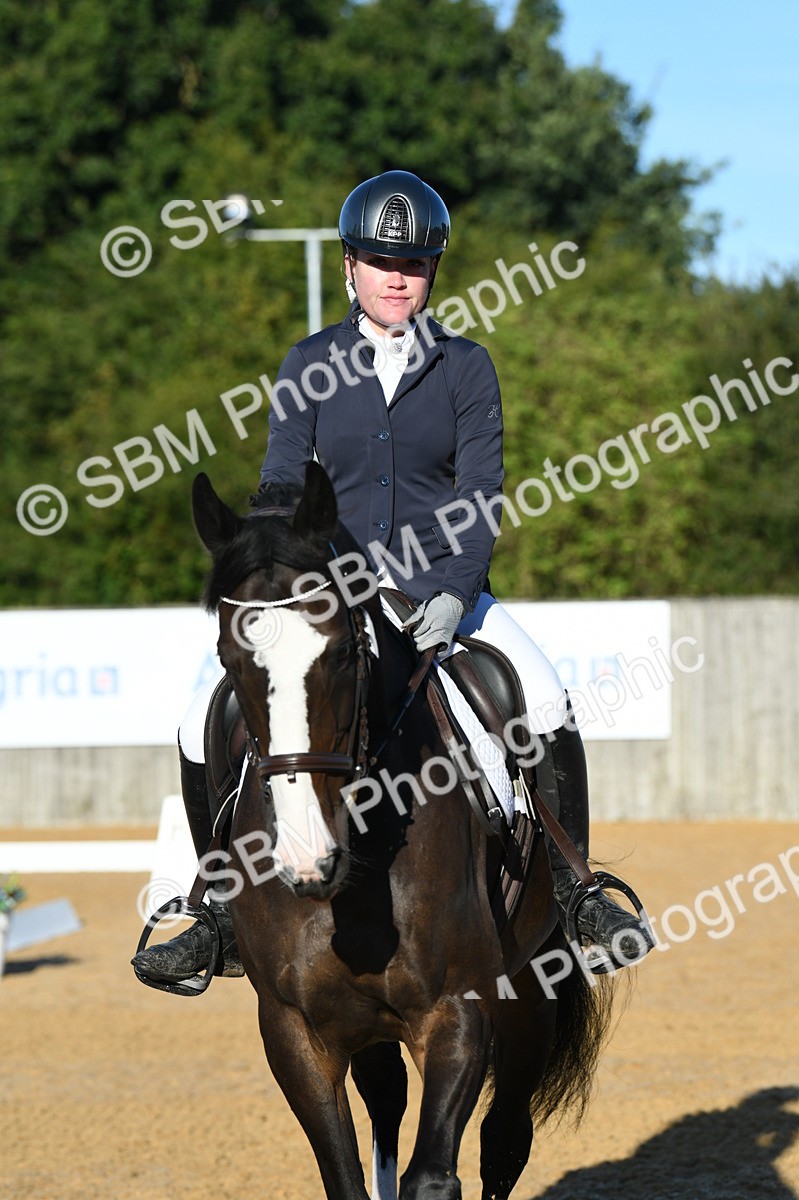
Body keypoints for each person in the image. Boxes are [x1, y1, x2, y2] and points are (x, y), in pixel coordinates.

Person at [133, 170, 653, 986]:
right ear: (350, 266)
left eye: (413, 261)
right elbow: (278, 480)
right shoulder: (307, 363)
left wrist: (453, 590)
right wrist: (272, 554)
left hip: (437, 589)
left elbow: (480, 494)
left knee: (543, 695)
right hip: (324, 595)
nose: (397, 275)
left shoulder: (465, 368)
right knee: (199, 707)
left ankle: (575, 889)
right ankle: (215, 912)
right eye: (380, 259)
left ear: (433, 270)